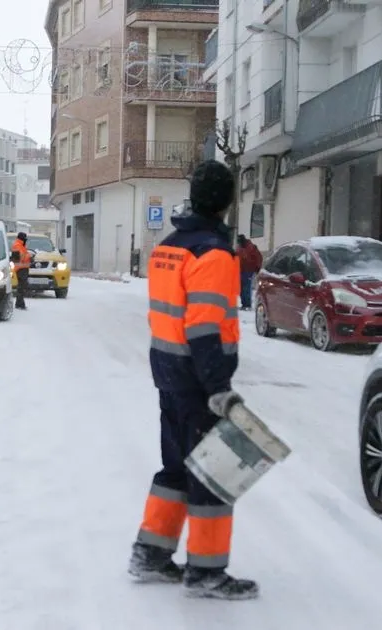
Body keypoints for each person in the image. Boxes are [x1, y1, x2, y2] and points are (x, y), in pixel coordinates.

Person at [128, 160, 257, 601]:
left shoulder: (169, 246)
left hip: (168, 372)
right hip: (197, 381)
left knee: (176, 467)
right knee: (211, 474)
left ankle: (151, 554)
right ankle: (205, 572)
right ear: (227, 201)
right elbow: (204, 328)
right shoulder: (213, 255)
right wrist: (218, 387)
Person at [236, 235, 263, 310]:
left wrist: (257, 268)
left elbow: (258, 257)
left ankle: (247, 305)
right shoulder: (239, 248)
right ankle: (244, 304)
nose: (239, 243)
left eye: (240, 241)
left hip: (248, 270)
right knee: (241, 288)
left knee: (246, 288)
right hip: (240, 270)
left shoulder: (251, 247)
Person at [12, 232, 32, 310]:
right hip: (20, 269)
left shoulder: (21, 245)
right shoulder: (17, 245)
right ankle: (20, 304)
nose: (25, 240)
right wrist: (29, 256)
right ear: (22, 239)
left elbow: (23, 255)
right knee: (21, 288)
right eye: (24, 239)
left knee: (21, 287)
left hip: (22, 269)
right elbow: (21, 257)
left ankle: (19, 303)